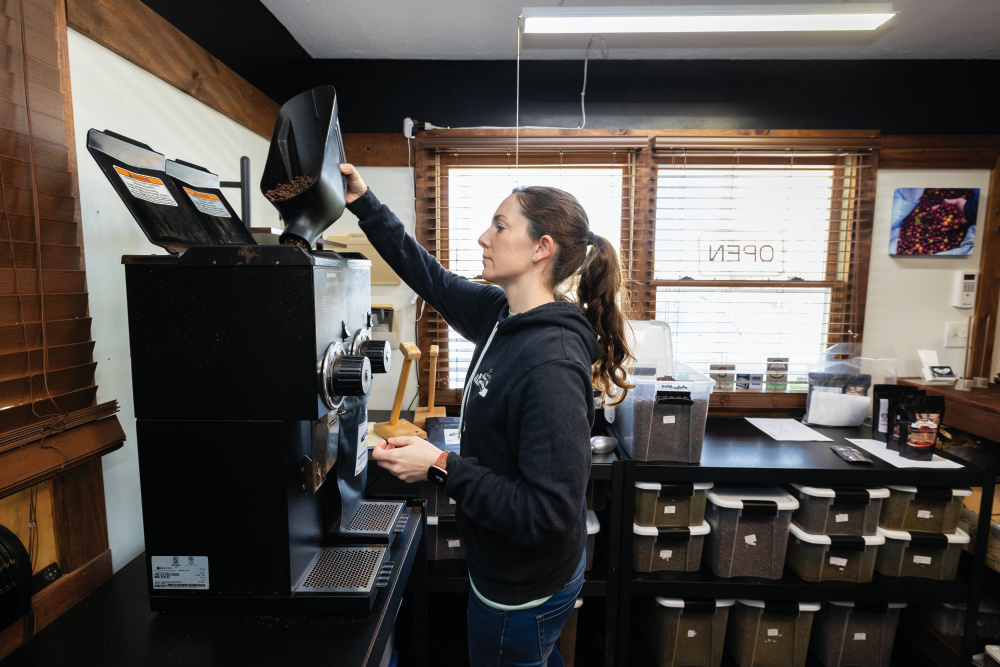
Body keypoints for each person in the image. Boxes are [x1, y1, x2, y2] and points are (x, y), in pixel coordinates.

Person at [340, 163, 633, 667]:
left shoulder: (552, 363)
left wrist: (439, 465)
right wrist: (364, 203)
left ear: (541, 249)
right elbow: (430, 277)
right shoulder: (502, 314)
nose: (483, 237)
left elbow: (546, 514)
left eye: (500, 226)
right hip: (508, 569)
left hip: (521, 591)